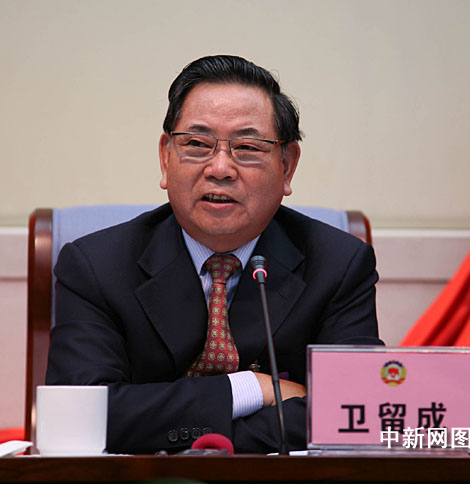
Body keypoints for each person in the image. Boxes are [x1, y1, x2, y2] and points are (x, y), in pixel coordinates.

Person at [46, 55, 382, 454]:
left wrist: (201, 440)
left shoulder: (340, 264)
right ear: (165, 157)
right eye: (197, 144)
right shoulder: (95, 266)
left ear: (287, 166)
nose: (220, 168)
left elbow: (355, 411)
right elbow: (81, 417)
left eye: (248, 147)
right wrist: (249, 389)